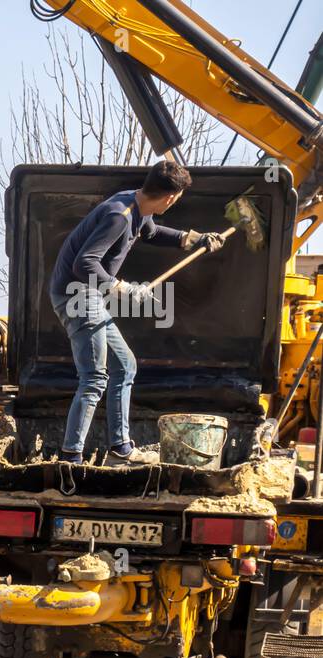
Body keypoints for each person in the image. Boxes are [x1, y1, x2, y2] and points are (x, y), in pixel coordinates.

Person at [48, 160, 225, 466]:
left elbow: (153, 233)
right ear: (170, 197)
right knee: (93, 379)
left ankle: (120, 449)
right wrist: (122, 288)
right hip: (76, 296)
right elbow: (84, 263)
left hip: (89, 296)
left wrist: (194, 239)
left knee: (125, 366)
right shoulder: (119, 216)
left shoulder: (136, 205)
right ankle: (70, 457)